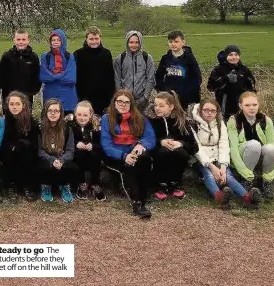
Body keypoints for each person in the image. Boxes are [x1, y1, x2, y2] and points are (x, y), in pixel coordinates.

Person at [191, 98, 258, 210]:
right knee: (209, 174)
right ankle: (220, 198)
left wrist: (223, 165)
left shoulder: (220, 123)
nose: (209, 113)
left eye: (213, 110)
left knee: (228, 176)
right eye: (206, 110)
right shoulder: (193, 124)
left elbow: (224, 144)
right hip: (201, 160)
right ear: (200, 111)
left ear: (217, 112)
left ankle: (247, 197)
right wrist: (212, 166)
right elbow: (196, 149)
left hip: (218, 157)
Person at [100, 89, 157, 219]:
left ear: (131, 104)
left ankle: (142, 197)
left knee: (144, 159)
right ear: (114, 103)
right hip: (116, 155)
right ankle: (137, 202)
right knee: (130, 166)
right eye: (119, 101)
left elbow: (150, 138)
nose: (123, 104)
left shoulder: (140, 118)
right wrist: (124, 156)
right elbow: (106, 145)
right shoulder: (106, 119)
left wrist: (141, 145)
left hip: (134, 152)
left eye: (126, 102)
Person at [227, 91, 274, 202]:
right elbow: (233, 149)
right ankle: (246, 181)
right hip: (242, 155)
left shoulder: (266, 120)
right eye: (247, 105)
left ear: (258, 105)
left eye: (254, 105)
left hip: (261, 156)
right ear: (240, 106)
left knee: (271, 148)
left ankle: (265, 182)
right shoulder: (234, 121)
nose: (252, 108)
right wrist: (246, 173)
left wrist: (270, 176)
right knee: (254, 144)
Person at [149, 91, 198, 200]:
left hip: (177, 156)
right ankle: (160, 184)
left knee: (180, 153)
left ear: (171, 106)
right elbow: (148, 141)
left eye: (161, 105)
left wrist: (180, 143)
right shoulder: (152, 122)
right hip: (158, 154)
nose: (157, 108)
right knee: (163, 152)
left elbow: (193, 145)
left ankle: (175, 183)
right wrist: (161, 142)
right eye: (155, 105)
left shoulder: (181, 122)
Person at [1, 91, 40, 201]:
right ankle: (12, 186)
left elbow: (34, 141)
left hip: (26, 151)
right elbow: (3, 140)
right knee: (8, 154)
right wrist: (11, 146)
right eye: (11, 104)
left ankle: (29, 187)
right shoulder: (5, 121)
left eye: (17, 104)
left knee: (28, 154)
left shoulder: (30, 121)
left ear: (23, 104)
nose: (14, 107)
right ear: (7, 105)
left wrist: (23, 144)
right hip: (10, 151)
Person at [37, 99, 78, 203]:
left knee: (71, 166)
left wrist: (61, 160)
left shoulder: (67, 128)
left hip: (61, 159)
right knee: (43, 164)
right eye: (50, 110)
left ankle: (64, 186)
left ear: (61, 112)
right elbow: (40, 150)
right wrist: (51, 160)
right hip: (47, 160)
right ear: (45, 112)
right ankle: (46, 186)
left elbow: (70, 150)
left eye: (56, 111)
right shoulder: (40, 128)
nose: (53, 113)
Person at [206, 44, 256, 121]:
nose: (234, 57)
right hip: (225, 109)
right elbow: (210, 87)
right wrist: (226, 79)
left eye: (236, 55)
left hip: (242, 107)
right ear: (226, 56)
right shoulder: (219, 70)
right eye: (230, 55)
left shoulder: (244, 69)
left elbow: (251, 86)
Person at [73, 27, 116, 115]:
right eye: (91, 39)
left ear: (100, 38)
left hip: (103, 98)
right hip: (84, 97)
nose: (94, 41)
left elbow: (110, 76)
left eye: (96, 38)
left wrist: (110, 97)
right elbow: (76, 77)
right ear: (86, 39)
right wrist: (79, 96)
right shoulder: (78, 54)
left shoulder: (106, 53)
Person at [155, 30, 202, 109]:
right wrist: (164, 91)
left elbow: (197, 79)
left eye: (176, 41)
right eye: (170, 42)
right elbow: (158, 77)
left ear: (183, 42)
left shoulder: (190, 59)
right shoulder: (165, 58)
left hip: (186, 98)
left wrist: (186, 91)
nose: (173, 44)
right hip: (169, 98)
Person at [70, 101, 106, 201]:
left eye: (85, 115)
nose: (82, 118)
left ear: (90, 115)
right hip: (78, 154)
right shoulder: (70, 125)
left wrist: (93, 145)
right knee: (79, 154)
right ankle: (82, 183)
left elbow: (101, 143)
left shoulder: (96, 125)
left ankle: (95, 183)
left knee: (95, 155)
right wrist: (76, 143)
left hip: (93, 154)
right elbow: (66, 141)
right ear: (75, 114)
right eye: (79, 115)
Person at [0, 29, 41, 111]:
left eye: (23, 39)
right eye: (18, 39)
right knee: (10, 121)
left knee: (25, 120)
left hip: (26, 97)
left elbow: (36, 76)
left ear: (28, 40)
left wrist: (32, 91)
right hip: (9, 98)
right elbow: (1, 77)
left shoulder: (33, 57)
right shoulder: (7, 56)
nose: (21, 42)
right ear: (14, 40)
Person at [114, 30, 156, 112]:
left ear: (140, 43)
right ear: (127, 42)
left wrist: (145, 97)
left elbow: (150, 78)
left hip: (142, 100)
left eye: (137, 42)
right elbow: (117, 78)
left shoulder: (147, 58)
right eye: (131, 42)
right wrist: (121, 97)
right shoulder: (120, 58)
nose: (134, 45)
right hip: (124, 101)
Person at [40, 29, 78, 114]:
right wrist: (61, 76)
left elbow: (71, 78)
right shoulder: (45, 57)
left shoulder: (69, 57)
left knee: (68, 122)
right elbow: (44, 77)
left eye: (58, 40)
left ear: (63, 41)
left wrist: (53, 77)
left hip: (68, 97)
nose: (55, 42)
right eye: (53, 40)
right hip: (50, 95)